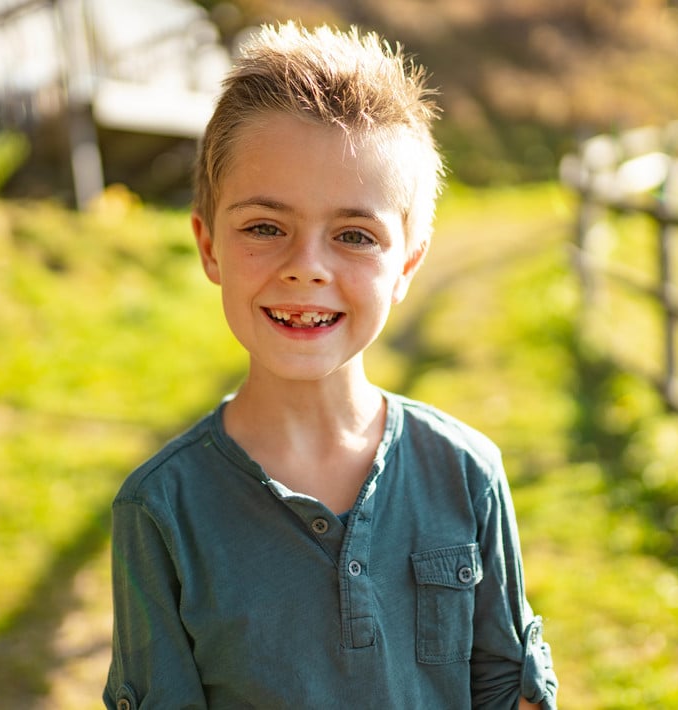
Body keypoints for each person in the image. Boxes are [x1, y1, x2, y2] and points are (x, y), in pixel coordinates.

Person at [102, 21, 558, 710]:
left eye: (353, 235)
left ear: (407, 264)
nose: (306, 268)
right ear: (208, 245)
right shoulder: (161, 509)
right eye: (265, 227)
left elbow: (503, 687)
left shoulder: (467, 474)